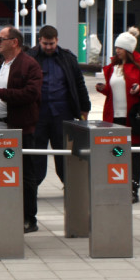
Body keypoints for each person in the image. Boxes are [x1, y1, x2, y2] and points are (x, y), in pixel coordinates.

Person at [0, 26, 43, 233]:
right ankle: (4, 212)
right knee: (1, 172)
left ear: (14, 42)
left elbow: (31, 93)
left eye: (1, 39)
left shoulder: (29, 65)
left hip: (21, 127)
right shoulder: (0, 64)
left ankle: (29, 217)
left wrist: (0, 93)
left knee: (26, 174)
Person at [96, 27, 140, 204]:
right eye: (116, 48)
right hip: (114, 117)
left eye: (120, 48)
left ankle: (133, 188)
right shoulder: (111, 68)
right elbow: (113, 91)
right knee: (116, 151)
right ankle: (117, 185)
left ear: (128, 49)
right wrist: (103, 89)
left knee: (134, 153)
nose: (116, 50)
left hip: (134, 117)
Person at [26, 25, 91, 187]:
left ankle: (68, 183)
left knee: (64, 151)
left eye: (52, 44)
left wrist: (85, 108)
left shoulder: (68, 58)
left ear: (57, 41)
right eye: (45, 44)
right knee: (37, 152)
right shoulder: (29, 58)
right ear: (39, 40)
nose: (48, 47)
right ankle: (34, 184)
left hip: (62, 113)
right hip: (38, 114)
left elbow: (79, 84)